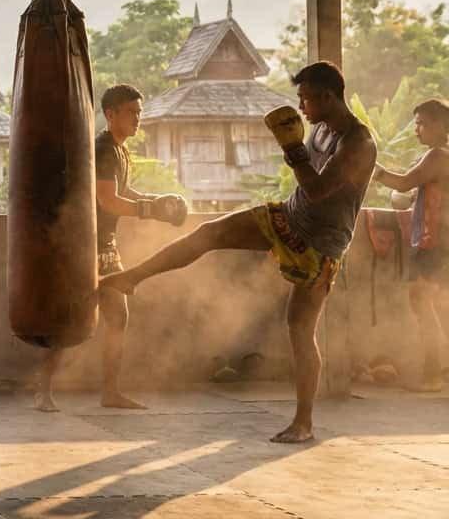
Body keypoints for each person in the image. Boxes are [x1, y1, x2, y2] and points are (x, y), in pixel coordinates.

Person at [102, 61, 375, 443]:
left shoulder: (357, 143)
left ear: (328, 96)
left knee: (299, 327)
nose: (301, 107)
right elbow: (305, 185)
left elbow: (317, 189)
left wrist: (293, 150)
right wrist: (297, 151)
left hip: (320, 245)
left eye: (306, 99)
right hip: (287, 216)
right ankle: (133, 278)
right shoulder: (321, 129)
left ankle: (303, 423)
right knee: (209, 232)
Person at [34, 84, 186, 413]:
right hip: (82, 245)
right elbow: (107, 200)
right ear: (110, 114)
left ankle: (110, 392)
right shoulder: (103, 148)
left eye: (139, 112)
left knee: (118, 316)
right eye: (131, 112)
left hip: (105, 245)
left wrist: (155, 203)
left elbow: (122, 190)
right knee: (69, 320)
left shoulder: (119, 150)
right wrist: (148, 210)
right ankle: (42, 391)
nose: (137, 119)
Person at [371, 97, 449, 392]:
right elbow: (416, 193)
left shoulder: (438, 156)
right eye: (416, 124)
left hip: (437, 244)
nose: (417, 130)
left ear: (441, 126)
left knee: (423, 303)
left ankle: (432, 375)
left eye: (422, 124)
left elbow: (403, 185)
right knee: (435, 306)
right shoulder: (438, 157)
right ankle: (436, 372)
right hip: (437, 242)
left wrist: (371, 167)